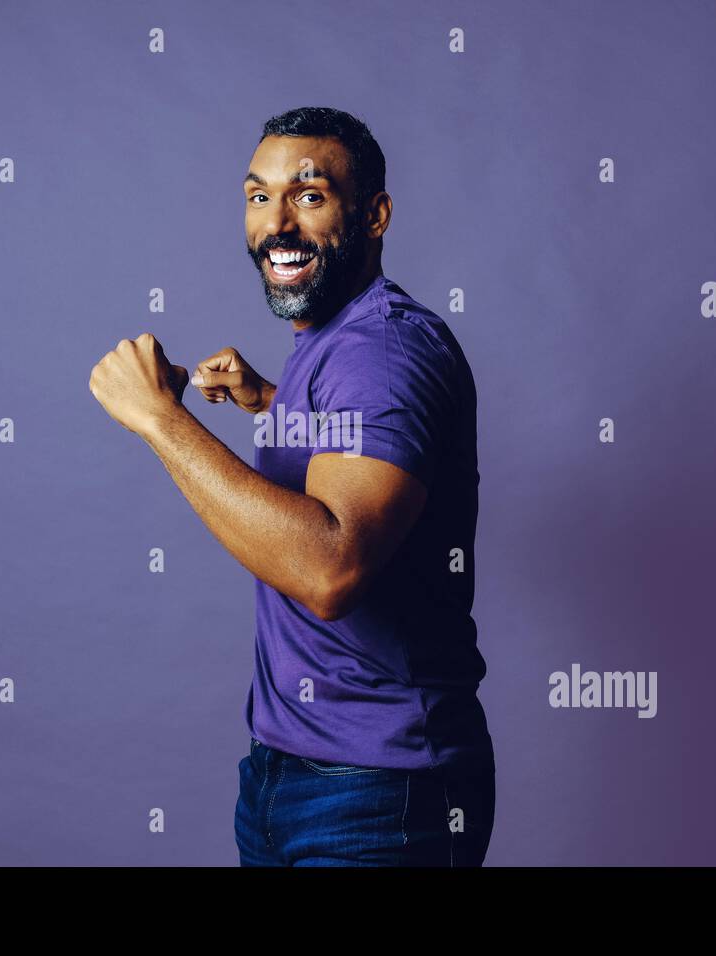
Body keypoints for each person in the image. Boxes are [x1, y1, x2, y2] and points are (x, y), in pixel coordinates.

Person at [89, 106, 495, 866]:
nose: (276, 224)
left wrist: (158, 422)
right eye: (257, 196)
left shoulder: (382, 351)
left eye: (309, 197)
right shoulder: (334, 338)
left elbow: (329, 567)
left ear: (373, 216)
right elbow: (369, 446)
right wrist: (271, 402)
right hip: (287, 773)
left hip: (383, 791)